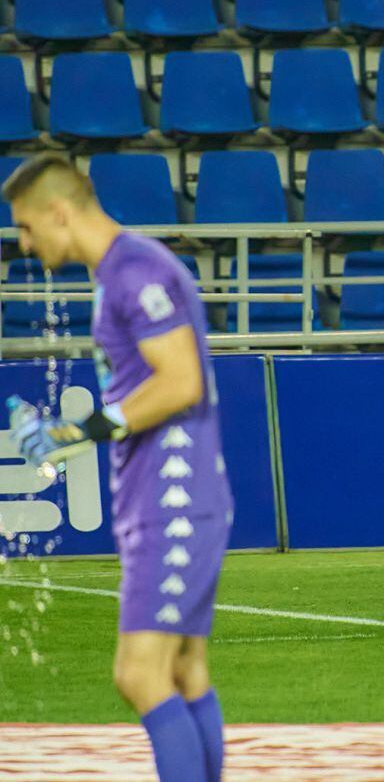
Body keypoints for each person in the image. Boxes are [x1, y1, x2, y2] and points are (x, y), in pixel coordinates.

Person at [5, 155, 232, 782]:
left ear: (59, 211)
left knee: (139, 674)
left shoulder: (132, 270)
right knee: (185, 672)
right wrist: (67, 434)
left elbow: (181, 380)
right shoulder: (128, 267)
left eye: (25, 227)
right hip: (177, 493)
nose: (25, 243)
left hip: (173, 498)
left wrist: (80, 429)